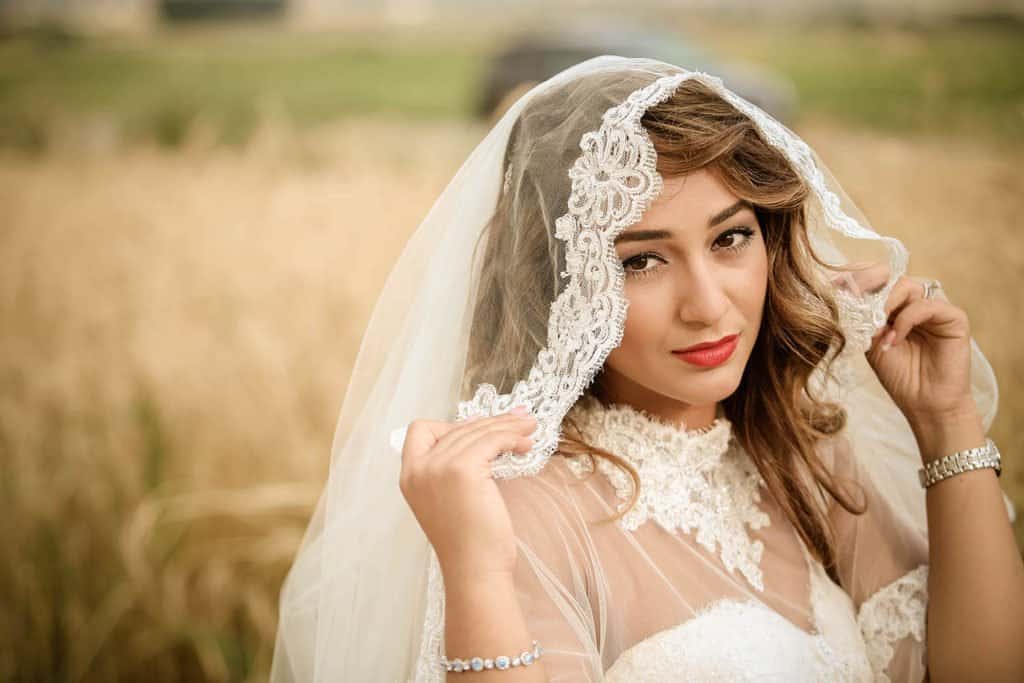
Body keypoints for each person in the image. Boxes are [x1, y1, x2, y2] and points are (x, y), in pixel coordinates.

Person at [270, 57, 1022, 682]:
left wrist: (943, 420)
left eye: (730, 238)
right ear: (561, 282)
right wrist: (475, 569)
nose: (707, 304)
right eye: (644, 260)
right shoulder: (525, 509)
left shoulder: (799, 447)